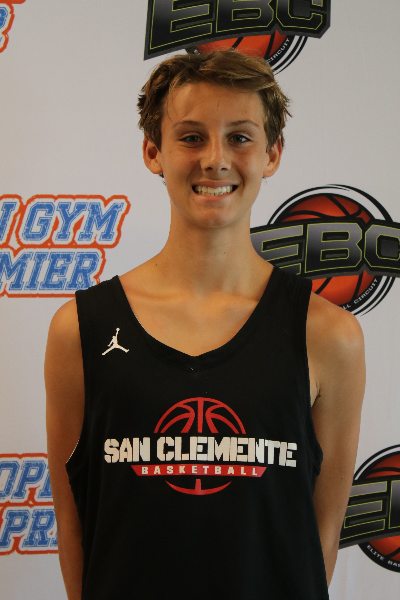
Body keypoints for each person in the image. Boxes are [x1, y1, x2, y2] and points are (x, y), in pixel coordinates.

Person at [45, 50, 365, 600]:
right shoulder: (80, 329)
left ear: (272, 154)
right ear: (153, 151)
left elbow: (320, 537)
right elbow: (74, 524)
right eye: (191, 137)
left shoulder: (329, 335)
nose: (215, 160)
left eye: (240, 137)